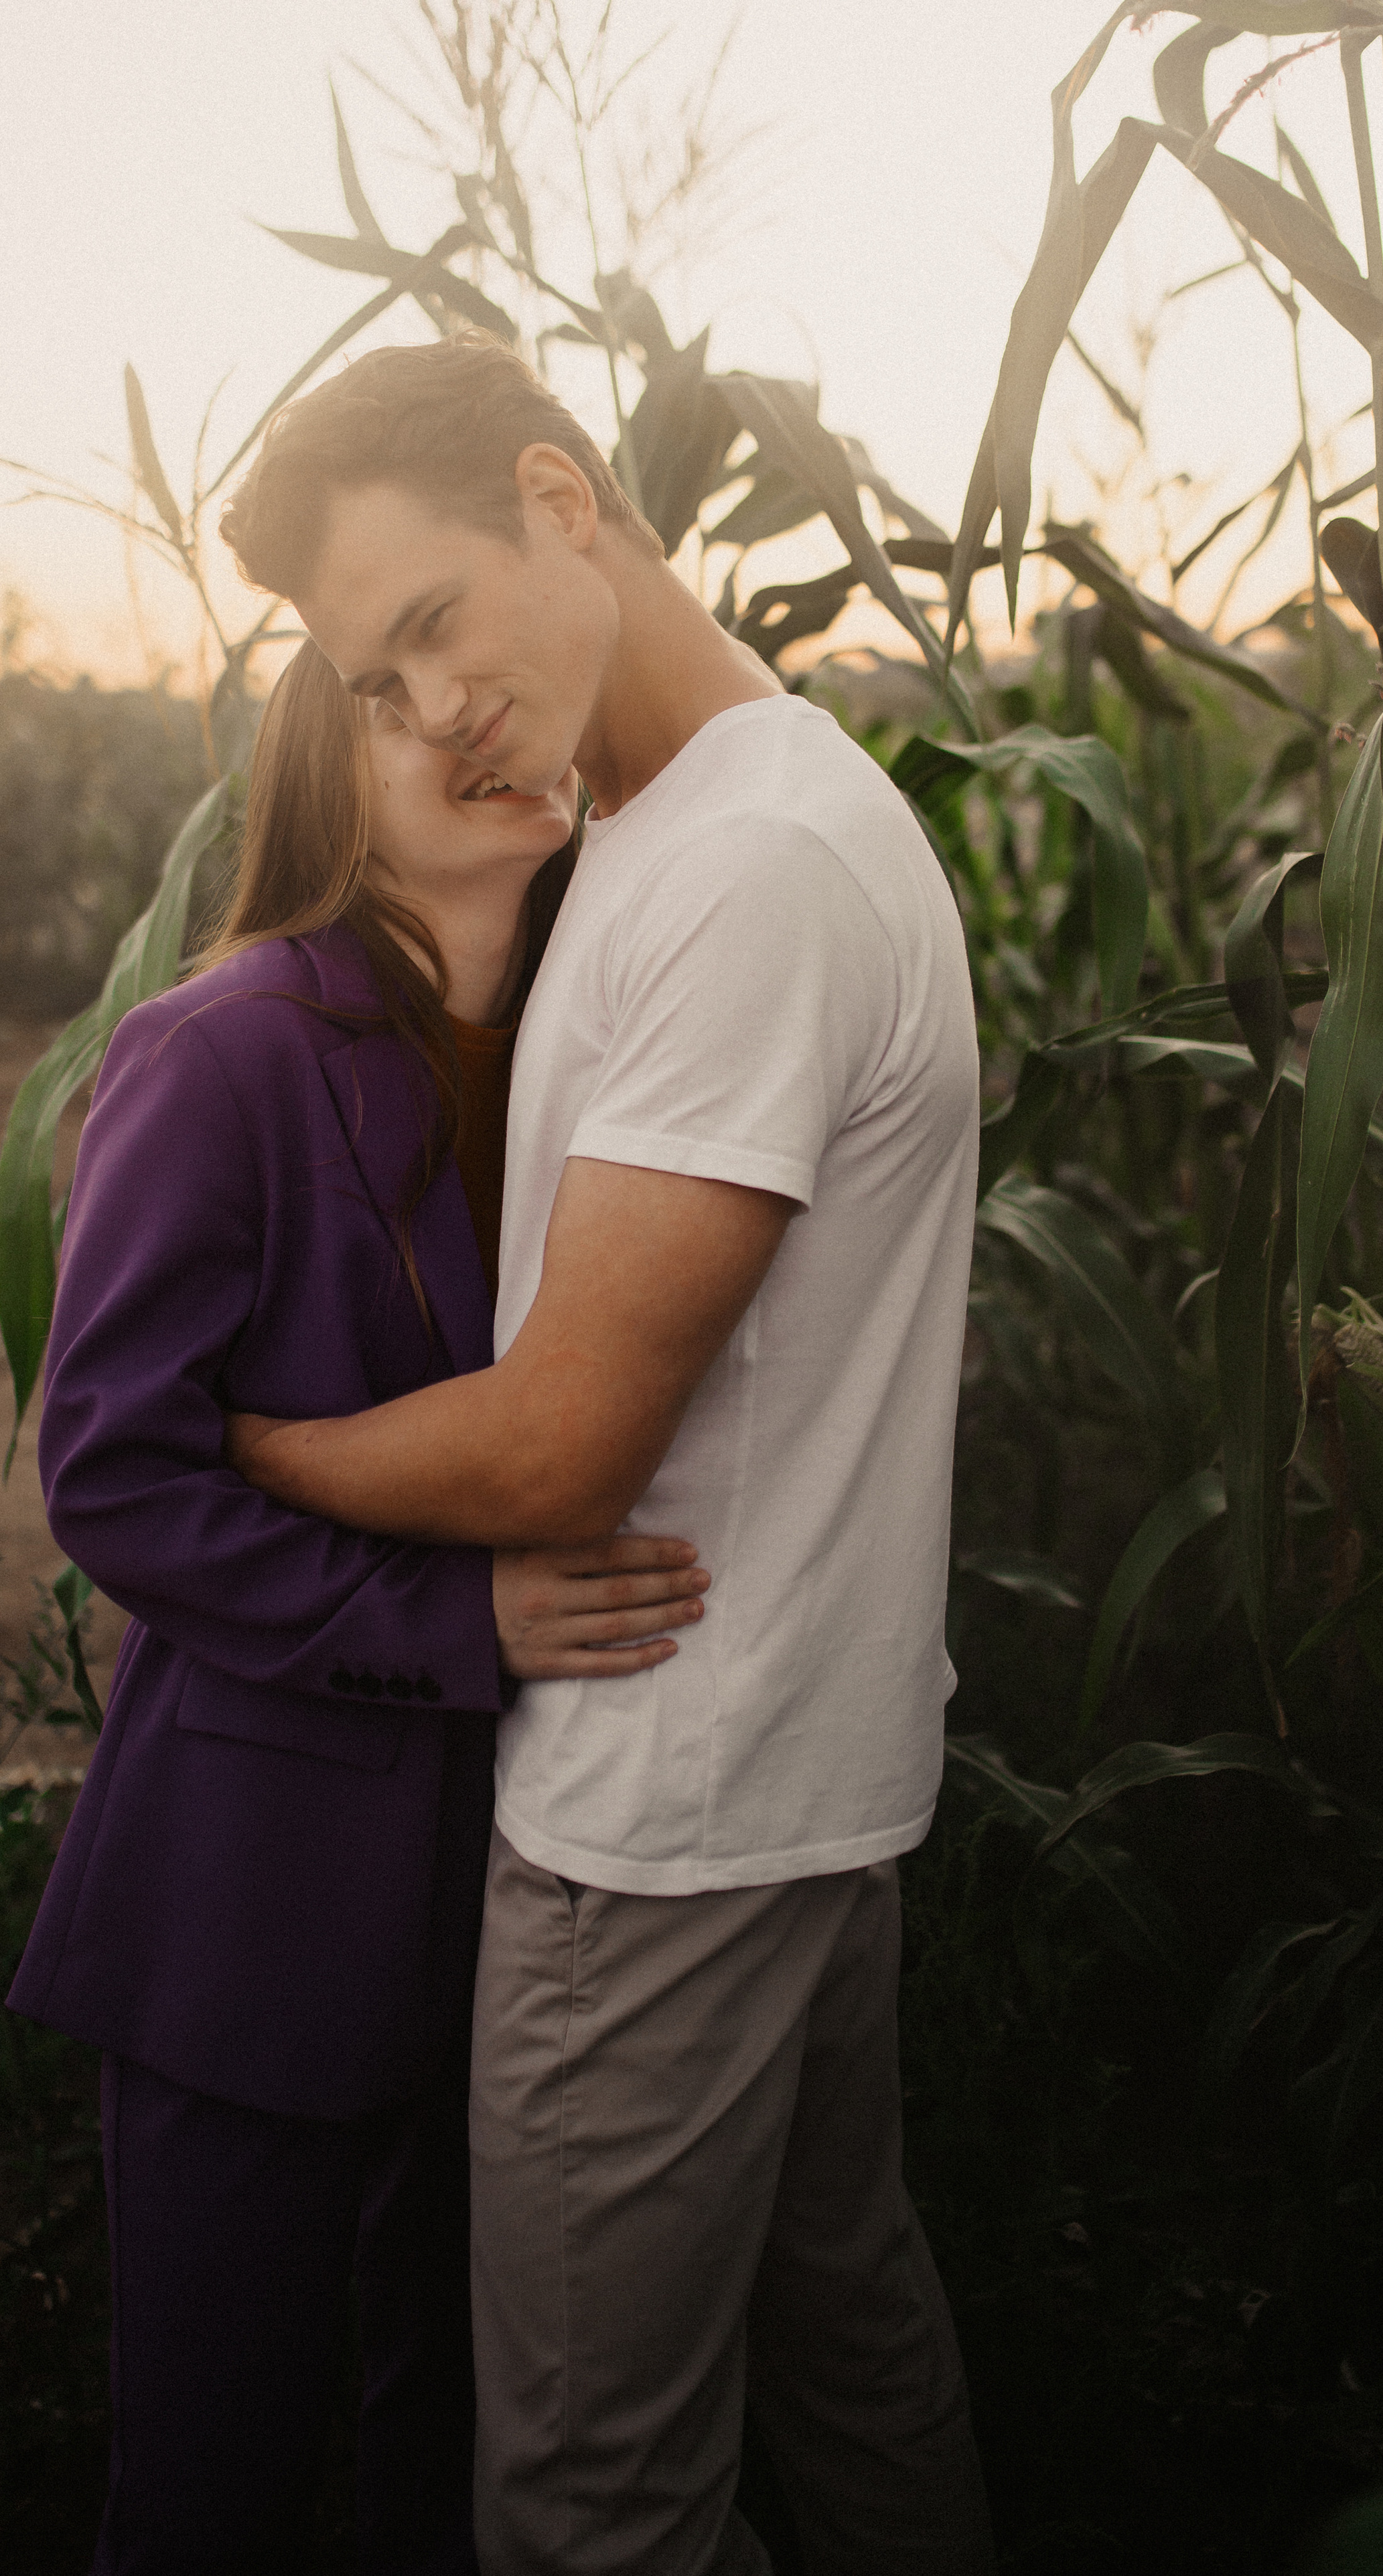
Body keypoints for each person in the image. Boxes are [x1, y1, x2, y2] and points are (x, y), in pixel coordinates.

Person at [219, 333, 996, 2576]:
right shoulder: (690, 827)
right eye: (376, 679)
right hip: (799, 1781)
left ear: (566, 498)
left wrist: (257, 1447)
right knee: (857, 2378)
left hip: (662, 1835)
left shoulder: (750, 872)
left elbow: (566, 1439)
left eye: (435, 622)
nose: (429, 708)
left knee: (588, 2504)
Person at [5, 637, 711, 2575]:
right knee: (214, 2495)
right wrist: (453, 1621)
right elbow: (119, 1478)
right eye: (403, 704)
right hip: (253, 1899)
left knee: (454, 2484)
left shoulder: (595, 1052)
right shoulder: (223, 1047)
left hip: (516, 1909)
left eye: (493, 687)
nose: (477, 731)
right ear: (329, 760)